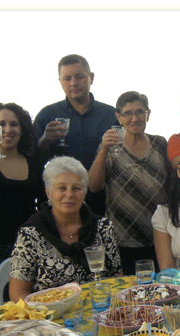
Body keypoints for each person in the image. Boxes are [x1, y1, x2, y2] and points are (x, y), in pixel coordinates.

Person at [9, 156, 121, 300]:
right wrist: (43, 308)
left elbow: (118, 279)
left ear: (84, 192)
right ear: (48, 192)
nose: (69, 195)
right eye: (62, 188)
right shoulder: (30, 234)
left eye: (76, 188)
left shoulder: (103, 228)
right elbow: (17, 293)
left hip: (100, 307)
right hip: (49, 312)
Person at [88, 91, 171, 275]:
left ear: (148, 114)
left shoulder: (160, 143)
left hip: (160, 236)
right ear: (119, 117)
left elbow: (173, 183)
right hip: (123, 238)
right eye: (128, 113)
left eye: (140, 112)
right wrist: (103, 150)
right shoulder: (111, 147)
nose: (135, 118)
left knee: (162, 287)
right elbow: (93, 186)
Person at [0, 102, 46, 303]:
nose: (8, 130)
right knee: (7, 310)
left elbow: (43, 204)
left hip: (31, 245)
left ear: (22, 129)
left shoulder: (34, 163)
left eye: (14, 124)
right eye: (1, 124)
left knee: (38, 305)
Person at [33, 54, 117, 215]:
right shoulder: (47, 115)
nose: (74, 83)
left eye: (79, 76)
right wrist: (45, 140)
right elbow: (32, 159)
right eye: (67, 78)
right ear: (60, 82)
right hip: (61, 202)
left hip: (103, 200)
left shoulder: (111, 115)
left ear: (91, 77)